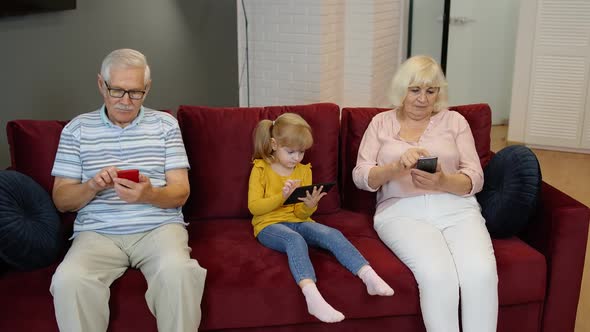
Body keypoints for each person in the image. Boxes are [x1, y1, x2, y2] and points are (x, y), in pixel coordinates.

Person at [49, 48, 207, 332]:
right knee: (68, 280)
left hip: (158, 228)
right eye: (117, 91)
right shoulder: (77, 130)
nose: (125, 101)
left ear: (147, 89)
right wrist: (93, 186)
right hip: (97, 232)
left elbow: (181, 192)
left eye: (135, 93)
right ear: (101, 84)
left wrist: (148, 194)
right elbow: (62, 200)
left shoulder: (165, 126)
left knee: (179, 273)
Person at [352, 55, 498, 332]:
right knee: (438, 275)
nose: (423, 99)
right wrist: (394, 168)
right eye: (415, 90)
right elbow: (360, 175)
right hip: (401, 213)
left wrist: (443, 181)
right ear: (401, 89)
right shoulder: (380, 123)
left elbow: (476, 177)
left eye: (431, 91)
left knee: (480, 273)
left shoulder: (455, 121)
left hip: (457, 208)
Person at [248, 112, 394, 324]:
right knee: (294, 240)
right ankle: (312, 297)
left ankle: (368, 275)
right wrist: (282, 196)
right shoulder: (260, 169)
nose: (296, 158)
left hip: (299, 221)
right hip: (268, 225)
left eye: (301, 152)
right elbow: (255, 208)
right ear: (273, 144)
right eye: (290, 152)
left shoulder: (303, 170)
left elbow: (301, 214)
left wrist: (309, 205)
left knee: (331, 233)